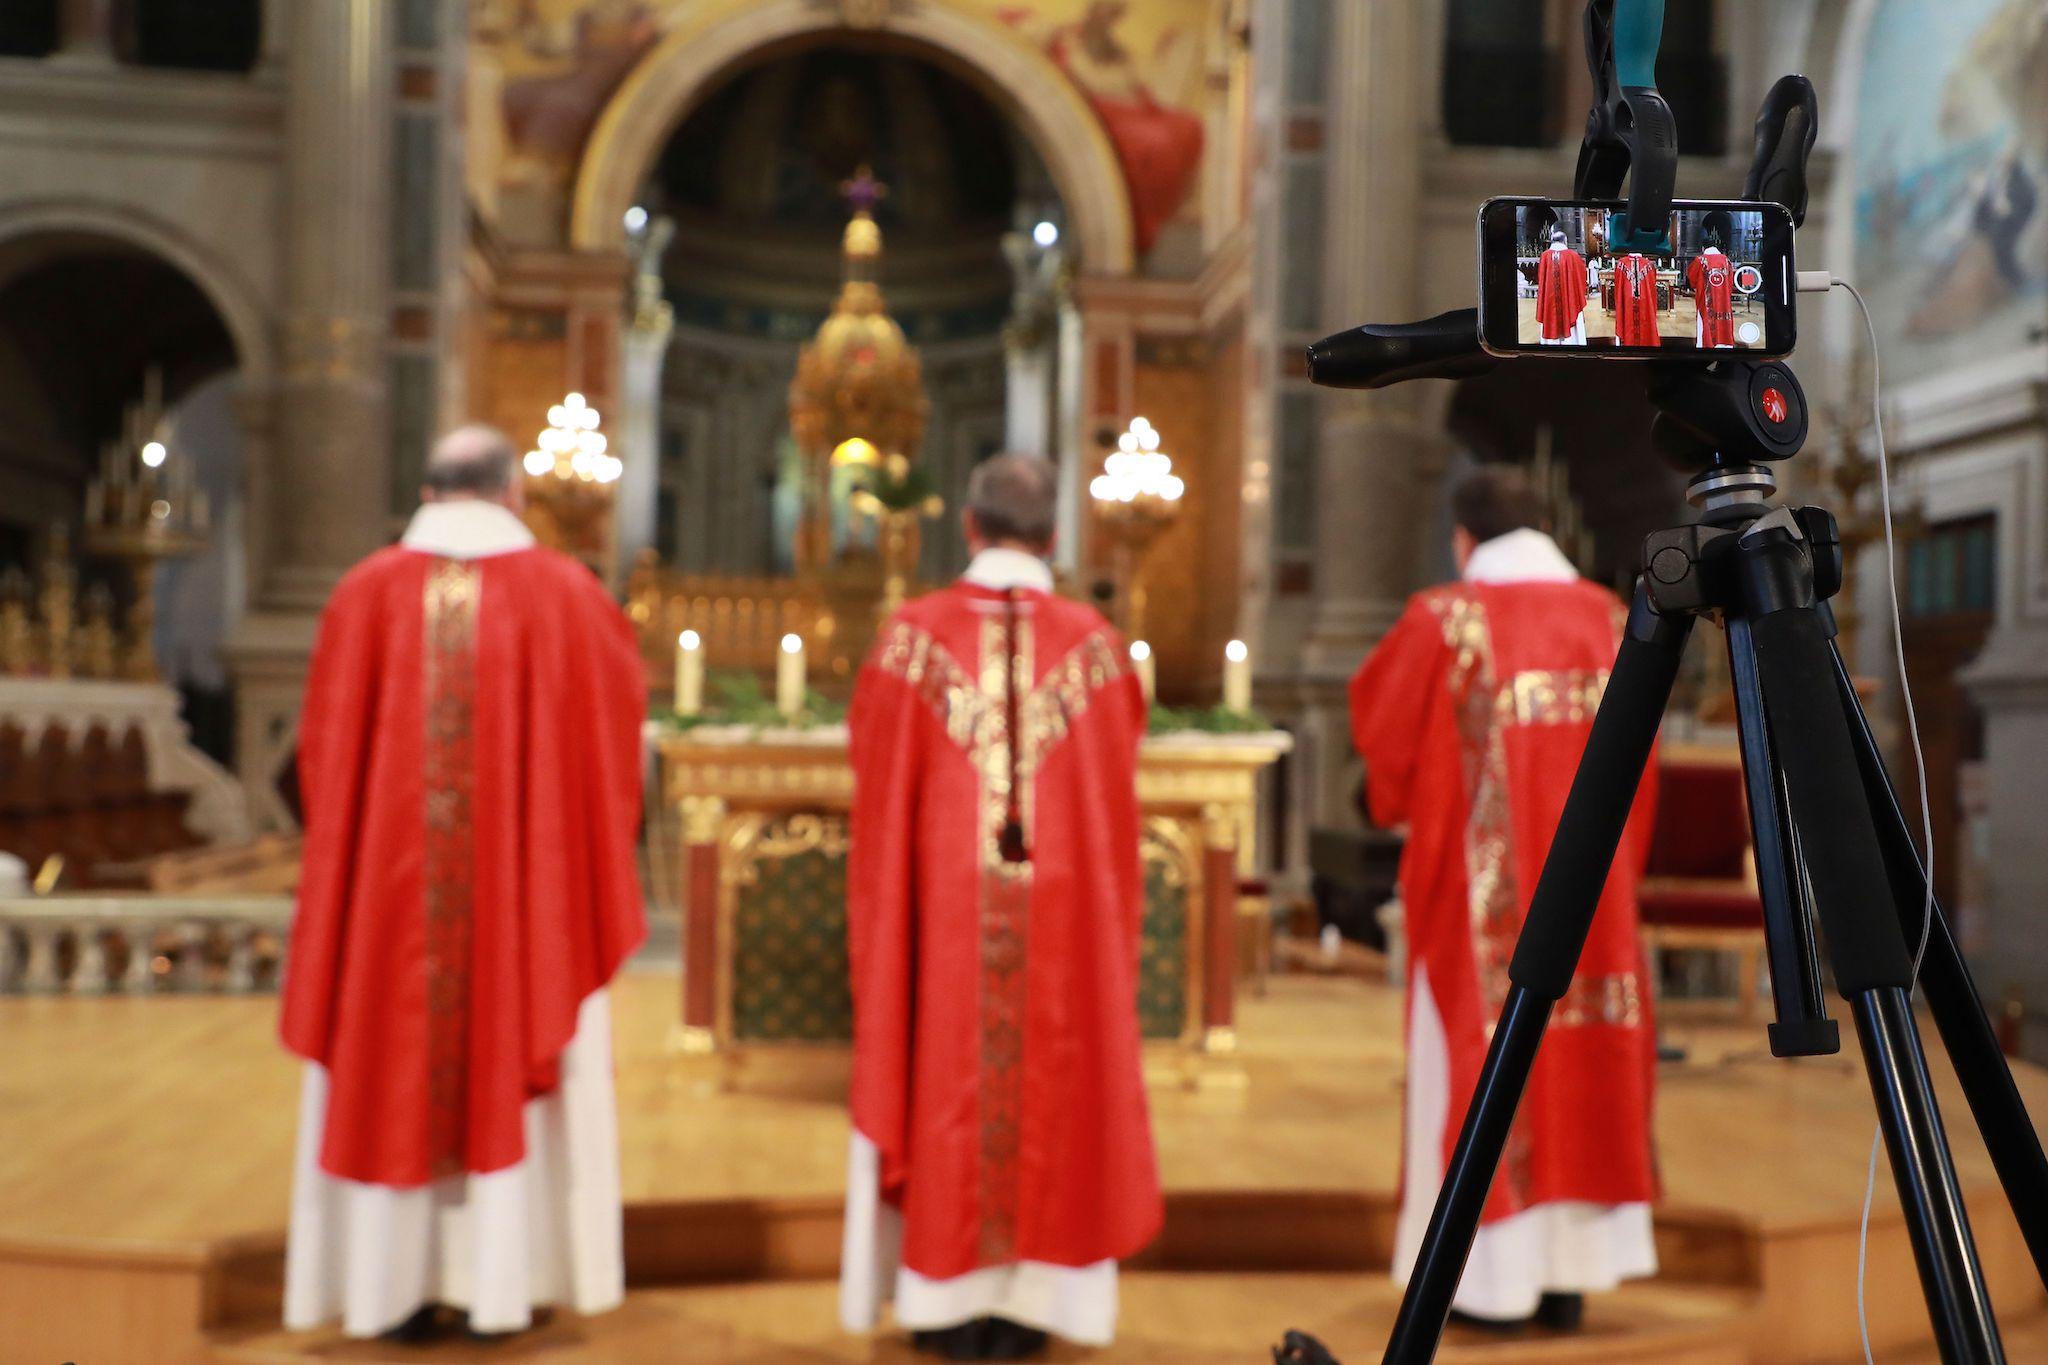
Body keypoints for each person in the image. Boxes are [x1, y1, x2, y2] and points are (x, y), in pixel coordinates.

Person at [279, 425, 646, 1340]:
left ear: (428, 489)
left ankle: (385, 1289)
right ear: (513, 494)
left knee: (388, 1054)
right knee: (520, 1044)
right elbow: (615, 753)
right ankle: (504, 1286)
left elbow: (321, 765)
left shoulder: (361, 596)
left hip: (389, 915)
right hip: (531, 911)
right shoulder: (569, 596)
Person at [841, 454, 1161, 1361]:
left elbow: (874, 776)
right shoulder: (1097, 646)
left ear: (969, 528)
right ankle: (1042, 1303)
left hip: (941, 926)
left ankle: (943, 1301)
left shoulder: (909, 639)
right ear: (1055, 536)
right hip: (1068, 929)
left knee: (943, 1073)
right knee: (1063, 1076)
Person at [1349, 466, 1659, 1331]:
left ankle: (1486, 1285)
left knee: (1480, 1062)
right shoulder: (1615, 615)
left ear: (1462, 538)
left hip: (1474, 906)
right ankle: (1569, 1277)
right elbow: (1646, 763)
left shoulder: (1442, 621)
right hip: (1596, 901)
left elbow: (1385, 747)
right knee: (1584, 1058)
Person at [1534, 231, 1589, 345]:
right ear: (1565, 241)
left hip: (1549, 301)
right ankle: (1571, 342)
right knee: (1571, 310)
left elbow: (1541, 280)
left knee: (1550, 312)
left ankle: (1550, 343)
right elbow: (1582, 275)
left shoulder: (1545, 256)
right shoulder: (1573, 256)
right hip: (1569, 301)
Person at [1686, 237, 1736, 349]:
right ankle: (1725, 344)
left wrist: (1696, 287)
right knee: (1723, 319)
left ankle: (1706, 345)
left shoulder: (1700, 260)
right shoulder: (1726, 260)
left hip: (1706, 300)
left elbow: (1692, 277)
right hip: (1723, 300)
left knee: (1705, 319)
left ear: (1703, 247)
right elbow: (1730, 281)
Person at [1610, 250, 1662, 348]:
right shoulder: (1649, 265)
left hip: (1627, 303)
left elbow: (1618, 289)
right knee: (1647, 324)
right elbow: (1652, 289)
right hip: (1645, 303)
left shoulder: (1621, 264)